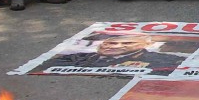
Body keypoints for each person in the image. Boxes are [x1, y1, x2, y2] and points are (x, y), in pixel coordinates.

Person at [41, 34, 184, 74]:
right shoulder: (74, 58)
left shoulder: (167, 60)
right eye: (110, 43)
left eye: (127, 43)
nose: (116, 46)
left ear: (145, 45)